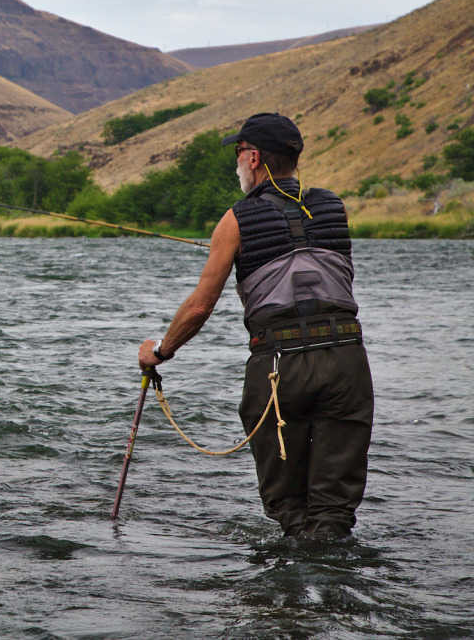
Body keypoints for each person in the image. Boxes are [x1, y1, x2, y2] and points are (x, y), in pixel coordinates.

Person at [137, 112, 373, 539]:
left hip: (280, 366)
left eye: (239, 152)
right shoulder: (333, 205)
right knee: (334, 509)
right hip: (347, 361)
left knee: (290, 507)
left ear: (254, 158)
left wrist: (159, 352)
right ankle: (332, 594)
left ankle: (293, 595)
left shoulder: (235, 220)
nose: (237, 161)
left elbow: (199, 308)